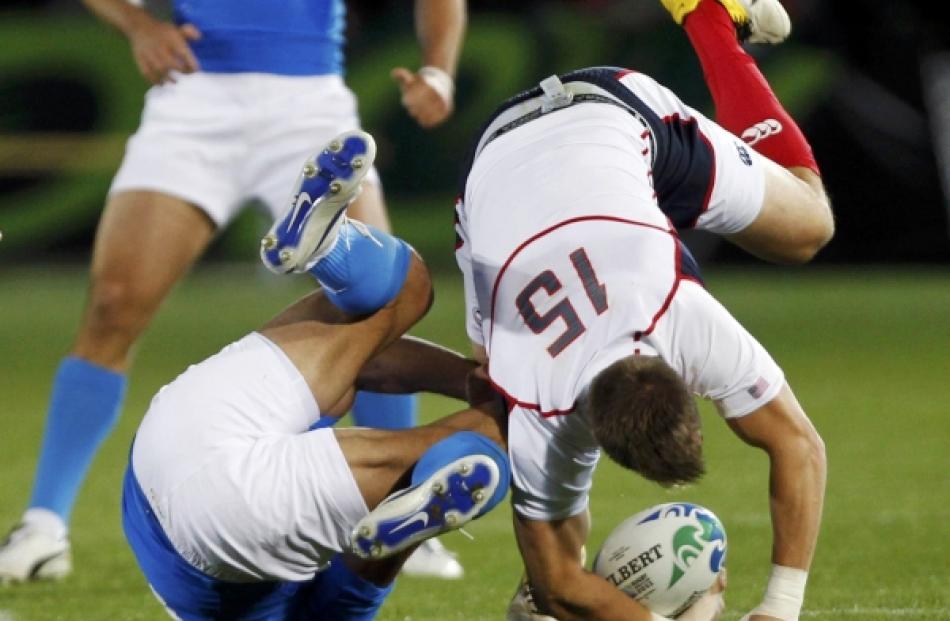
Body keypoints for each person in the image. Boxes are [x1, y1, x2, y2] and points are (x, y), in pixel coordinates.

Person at [0, 0, 468, 582]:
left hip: (309, 103)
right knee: (113, 308)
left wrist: (439, 70)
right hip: (195, 96)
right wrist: (139, 24)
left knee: (380, 309)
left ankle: (398, 505)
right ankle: (43, 525)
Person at [446, 0, 831, 619]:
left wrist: (779, 607)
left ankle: (708, 15)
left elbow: (799, 448)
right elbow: (559, 588)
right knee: (490, 386)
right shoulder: (581, 384)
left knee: (805, 226)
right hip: (522, 149)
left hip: (608, 129)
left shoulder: (675, 320)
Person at [121, 130, 510, 621]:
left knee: (494, 428)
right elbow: (373, 363)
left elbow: (361, 579)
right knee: (410, 301)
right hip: (171, 451)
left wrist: (472, 382)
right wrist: (466, 377)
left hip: (214, 494)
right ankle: (332, 250)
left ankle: (333, 252)